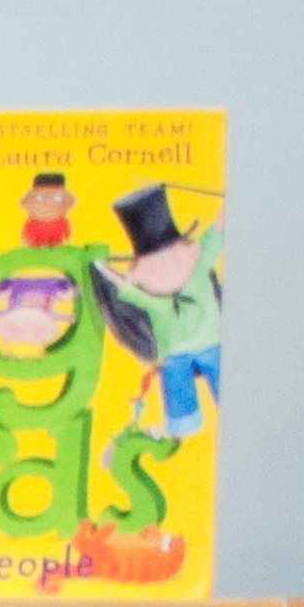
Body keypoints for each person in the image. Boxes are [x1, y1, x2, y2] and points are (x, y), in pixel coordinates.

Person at [93, 184, 223, 439]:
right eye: (154, 266)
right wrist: (103, 270)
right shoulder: (157, 302)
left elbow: (214, 237)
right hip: (175, 353)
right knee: (174, 378)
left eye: (171, 257)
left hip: (212, 344)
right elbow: (129, 290)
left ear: (189, 251)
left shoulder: (199, 274)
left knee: (220, 372)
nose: (165, 269)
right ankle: (181, 425)